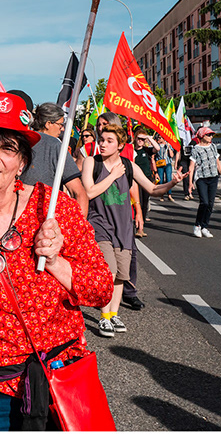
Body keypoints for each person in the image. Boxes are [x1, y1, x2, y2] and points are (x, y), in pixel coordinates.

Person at [0, 92, 112, 430]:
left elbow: (101, 290)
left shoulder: (54, 207)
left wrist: (57, 261)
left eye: (8, 148)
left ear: (23, 163)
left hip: (58, 386)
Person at [80, 120, 169, 337]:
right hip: (99, 224)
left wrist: (173, 182)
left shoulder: (129, 166)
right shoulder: (92, 163)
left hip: (124, 227)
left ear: (120, 145)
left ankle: (113, 315)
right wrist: (112, 176)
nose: (103, 144)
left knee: (121, 275)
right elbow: (88, 193)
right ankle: (103, 317)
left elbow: (153, 188)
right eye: (101, 140)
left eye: (109, 141)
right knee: (108, 272)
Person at [26, 102, 90, 221]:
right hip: (44, 222)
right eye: (60, 125)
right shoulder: (55, 145)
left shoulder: (18, 140)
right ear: (48, 124)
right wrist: (77, 230)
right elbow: (79, 193)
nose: (62, 129)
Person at [182, 124, 221, 237]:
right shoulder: (196, 149)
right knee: (204, 202)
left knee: (210, 204)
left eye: (211, 135)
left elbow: (217, 162)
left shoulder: (213, 146)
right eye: (208, 135)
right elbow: (191, 166)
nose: (211, 137)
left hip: (213, 177)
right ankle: (197, 225)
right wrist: (190, 183)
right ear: (202, 135)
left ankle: (205, 226)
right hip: (201, 179)